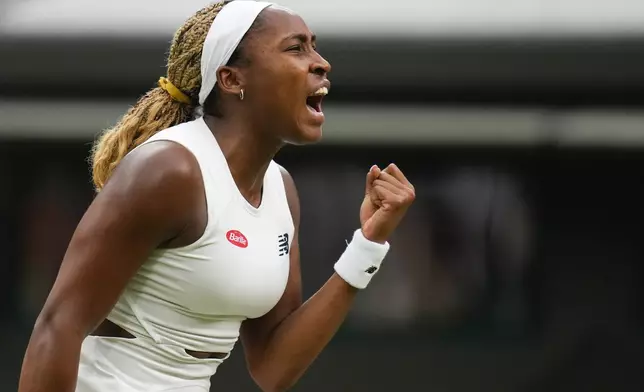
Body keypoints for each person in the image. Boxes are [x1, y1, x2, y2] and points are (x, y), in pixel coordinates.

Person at [18, 1, 416, 391]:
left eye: (313, 45)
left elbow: (274, 367)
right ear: (231, 79)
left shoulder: (282, 189)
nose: (321, 62)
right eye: (296, 48)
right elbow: (58, 327)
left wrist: (368, 244)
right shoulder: (169, 170)